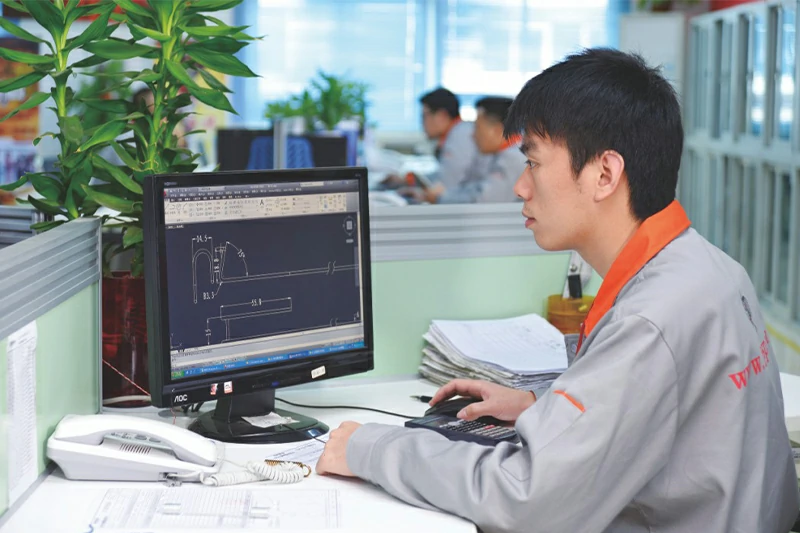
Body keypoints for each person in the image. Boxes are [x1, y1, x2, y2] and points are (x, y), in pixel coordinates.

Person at [315, 48, 800, 533]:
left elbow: (526, 498)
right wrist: (542, 404)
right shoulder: (711, 268)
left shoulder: (650, 320)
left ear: (604, 174)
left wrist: (368, 447)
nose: (520, 187)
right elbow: (660, 402)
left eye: (533, 162)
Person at [403, 96, 525, 204]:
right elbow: (477, 188)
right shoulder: (505, 154)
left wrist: (439, 198)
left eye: (478, 128)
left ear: (497, 131)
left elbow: (483, 199)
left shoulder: (513, 159)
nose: (473, 135)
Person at [381, 87, 479, 191]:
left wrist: (419, 191)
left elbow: (446, 185)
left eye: (424, 116)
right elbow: (443, 175)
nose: (422, 123)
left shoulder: (461, 137)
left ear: (442, 116)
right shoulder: (456, 132)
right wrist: (409, 180)